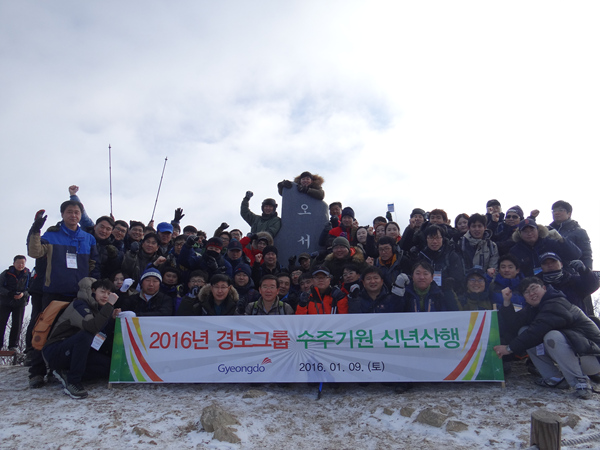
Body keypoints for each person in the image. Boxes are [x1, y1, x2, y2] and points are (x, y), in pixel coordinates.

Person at [495, 277, 600, 399]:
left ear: (544, 288)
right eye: (526, 292)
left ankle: (580, 382)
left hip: (592, 357)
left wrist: (509, 348)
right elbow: (514, 325)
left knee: (552, 336)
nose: (531, 293)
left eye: (534, 288)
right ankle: (554, 378)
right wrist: (507, 302)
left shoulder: (556, 303)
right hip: (577, 353)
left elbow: (536, 332)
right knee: (524, 330)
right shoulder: (533, 309)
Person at [42, 277, 119, 399]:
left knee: (109, 367)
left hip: (78, 351)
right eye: (102, 292)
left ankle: (66, 372)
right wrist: (109, 305)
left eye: (109, 293)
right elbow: (91, 327)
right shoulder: (79, 305)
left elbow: (101, 335)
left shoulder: (97, 308)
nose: (106, 296)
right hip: (56, 350)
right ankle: (73, 381)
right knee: (85, 335)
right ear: (93, 291)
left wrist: (111, 319)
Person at [509, 218, 582, 277]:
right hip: (533, 285)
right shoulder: (515, 251)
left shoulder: (551, 243)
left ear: (538, 230)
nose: (529, 233)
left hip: (560, 280)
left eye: (532, 230)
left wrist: (562, 240)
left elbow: (576, 255)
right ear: (520, 234)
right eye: (525, 231)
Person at [548, 200, 592, 269]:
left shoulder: (579, 232)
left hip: (572, 271)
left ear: (569, 214)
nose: (556, 213)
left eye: (561, 210)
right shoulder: (547, 231)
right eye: (554, 211)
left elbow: (586, 255)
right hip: (550, 270)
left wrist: (587, 271)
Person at [0, 256, 30, 351]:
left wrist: (23, 294)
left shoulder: (28, 274)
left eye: (23, 263)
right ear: (14, 263)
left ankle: (13, 346)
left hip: (20, 302)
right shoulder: (6, 273)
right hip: (5, 301)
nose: (21, 265)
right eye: (18, 263)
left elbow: (31, 288)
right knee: (1, 323)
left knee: (17, 324)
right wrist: (9, 293)